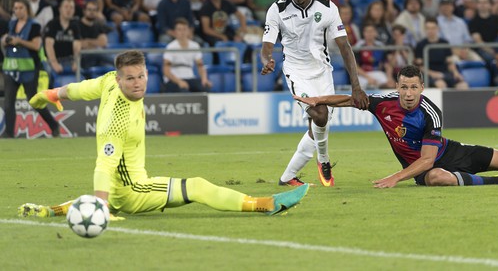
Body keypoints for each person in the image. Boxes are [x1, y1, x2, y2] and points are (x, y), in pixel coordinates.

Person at [20, 50, 309, 218]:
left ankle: (50, 211)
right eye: (130, 78)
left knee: (115, 197)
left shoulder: (108, 81)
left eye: (141, 76)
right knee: (196, 186)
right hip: (133, 190)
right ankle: (265, 204)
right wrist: (101, 205)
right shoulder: (116, 121)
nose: (137, 83)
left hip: (125, 187)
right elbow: (104, 165)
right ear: (119, 79)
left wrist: (49, 94)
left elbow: (79, 89)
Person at [294, 65, 498, 188]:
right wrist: (317, 99)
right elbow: (349, 99)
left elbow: (427, 158)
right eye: (403, 87)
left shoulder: (431, 113)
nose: (408, 93)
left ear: (422, 88)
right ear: (397, 87)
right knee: (438, 178)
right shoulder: (382, 102)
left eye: (414, 87)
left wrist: (395, 177)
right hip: (427, 172)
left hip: (449, 154)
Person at [261, 0, 369, 187]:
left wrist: (356, 86)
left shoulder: (328, 7)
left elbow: (344, 47)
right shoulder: (277, 10)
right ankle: (323, 159)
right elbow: (266, 46)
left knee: (321, 123)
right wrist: (267, 60)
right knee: (319, 116)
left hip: (322, 72)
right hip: (296, 72)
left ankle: (287, 177)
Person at [1, 0, 61, 139]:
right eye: (15, 8)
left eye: (20, 7)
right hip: (11, 68)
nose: (17, 11)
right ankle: (9, 134)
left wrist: (19, 41)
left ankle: (53, 125)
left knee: (33, 101)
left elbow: (36, 45)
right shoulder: (11, 24)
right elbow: (5, 40)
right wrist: (4, 41)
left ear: (27, 9)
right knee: (9, 102)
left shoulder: (34, 26)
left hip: (28, 69)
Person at [163, 18, 211, 93]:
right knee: (184, 91)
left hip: (190, 78)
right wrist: (179, 82)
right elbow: (166, 71)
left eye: (184, 29)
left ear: (188, 31)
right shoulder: (170, 47)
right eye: (179, 29)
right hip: (174, 80)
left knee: (206, 89)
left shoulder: (195, 46)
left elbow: (200, 65)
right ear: (175, 32)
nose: (182, 32)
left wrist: (204, 79)